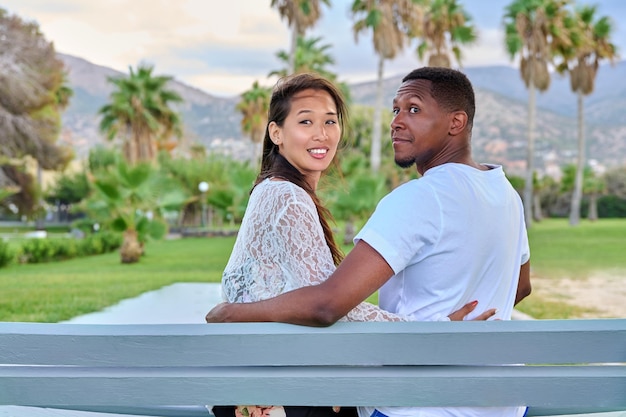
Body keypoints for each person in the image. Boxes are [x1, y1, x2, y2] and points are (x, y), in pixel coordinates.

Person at [207, 67, 532, 417]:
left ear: (456, 122)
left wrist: (234, 313)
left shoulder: (418, 199)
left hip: (420, 405)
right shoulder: (504, 192)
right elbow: (521, 286)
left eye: (414, 109)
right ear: (276, 133)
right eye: (396, 110)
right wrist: (457, 322)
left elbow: (327, 304)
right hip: (502, 403)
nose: (396, 122)